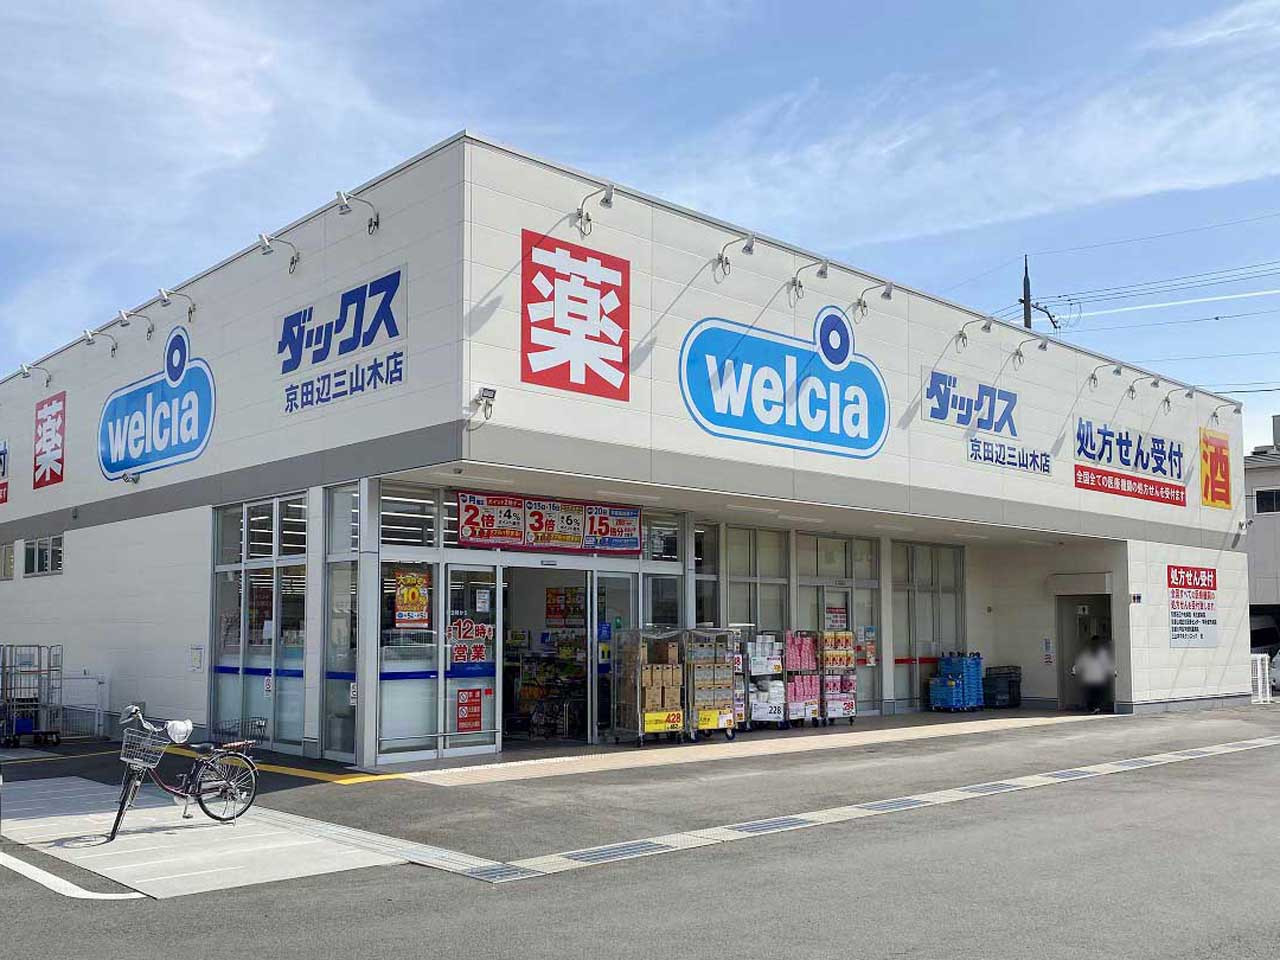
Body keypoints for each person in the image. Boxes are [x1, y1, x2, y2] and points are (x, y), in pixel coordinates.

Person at [1072, 635, 1115, 714]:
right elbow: (1080, 663)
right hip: (1089, 679)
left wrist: (1113, 672)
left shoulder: (1103, 653)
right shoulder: (1086, 653)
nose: (1096, 644)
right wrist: (1074, 671)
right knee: (1090, 696)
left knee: (1099, 695)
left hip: (1099, 679)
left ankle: (1096, 707)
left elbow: (1107, 664)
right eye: (1094, 643)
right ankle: (1092, 708)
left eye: (1098, 643)